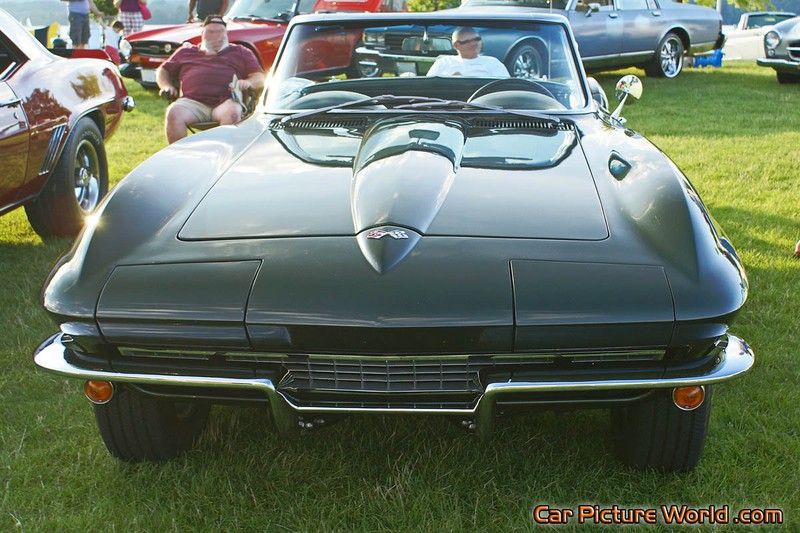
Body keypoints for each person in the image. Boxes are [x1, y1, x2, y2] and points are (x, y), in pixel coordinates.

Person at [156, 15, 266, 144]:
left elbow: (260, 77)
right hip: (192, 102)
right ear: (202, 34)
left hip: (226, 101)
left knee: (233, 112)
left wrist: (249, 82)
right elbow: (163, 71)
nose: (216, 36)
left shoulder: (241, 52)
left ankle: (225, 154)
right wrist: (166, 86)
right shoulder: (186, 52)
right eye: (211, 32)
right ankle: (181, 155)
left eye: (220, 32)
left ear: (226, 34)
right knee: (173, 113)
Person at [427, 27, 509, 78]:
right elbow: (428, 86)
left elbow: (506, 88)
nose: (475, 43)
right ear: (456, 45)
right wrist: (450, 81)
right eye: (468, 41)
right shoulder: (443, 62)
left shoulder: (492, 62)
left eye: (477, 39)